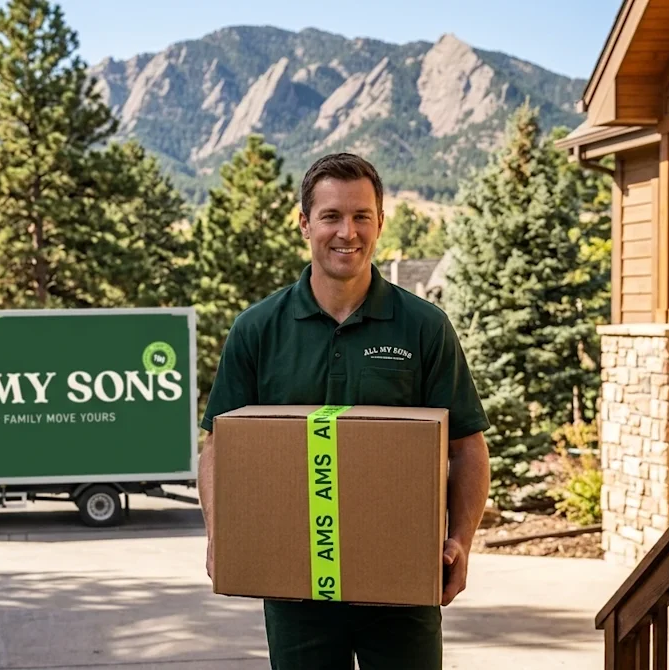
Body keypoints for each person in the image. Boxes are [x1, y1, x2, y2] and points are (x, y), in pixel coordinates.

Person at [197, 152, 491, 669]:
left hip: (401, 584)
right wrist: (222, 536)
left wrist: (460, 540)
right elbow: (219, 446)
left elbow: (466, 446)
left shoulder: (423, 326)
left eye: (361, 216)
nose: (346, 232)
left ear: (380, 222)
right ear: (305, 223)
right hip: (294, 587)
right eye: (331, 216)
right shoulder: (258, 329)